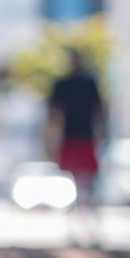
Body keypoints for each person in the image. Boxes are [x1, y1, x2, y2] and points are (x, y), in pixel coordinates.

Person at [48, 49, 108, 209]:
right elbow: (54, 113)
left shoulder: (89, 84)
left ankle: (89, 203)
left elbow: (99, 110)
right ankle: (79, 205)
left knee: (87, 176)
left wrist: (103, 133)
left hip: (85, 136)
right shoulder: (63, 85)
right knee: (73, 175)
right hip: (71, 136)